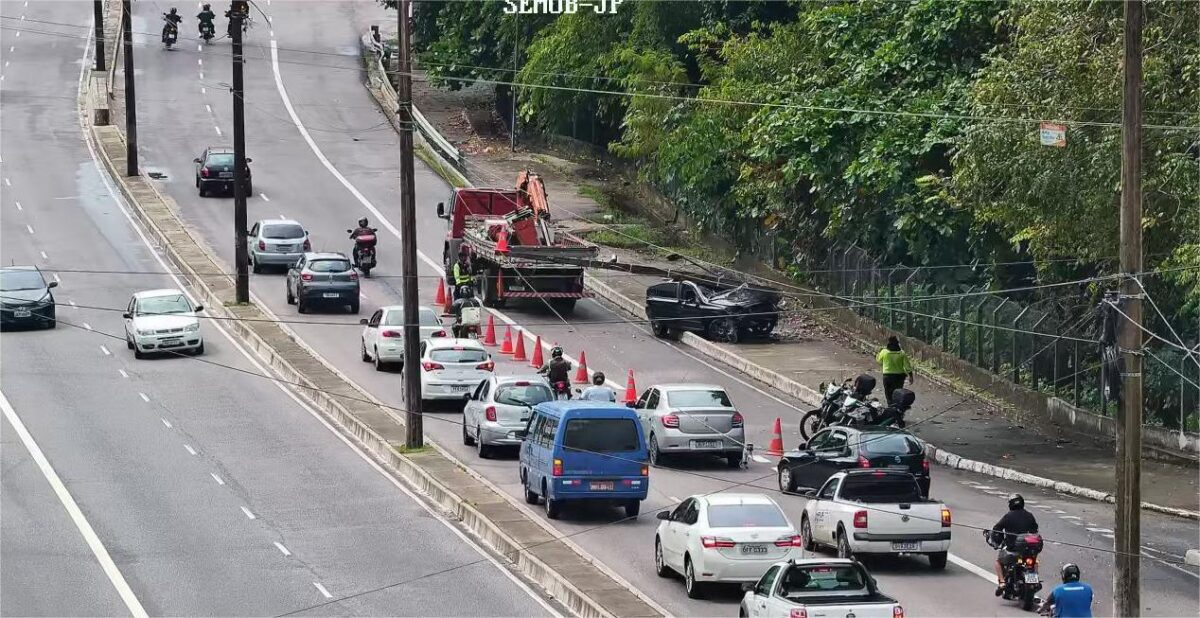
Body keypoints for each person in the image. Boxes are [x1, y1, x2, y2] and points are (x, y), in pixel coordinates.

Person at [991, 493, 1039, 595]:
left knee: (998, 562)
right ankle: (1034, 581)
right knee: (1034, 562)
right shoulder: (1029, 515)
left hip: (1011, 549)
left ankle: (1002, 582)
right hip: (1027, 550)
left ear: (1010, 504)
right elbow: (1034, 531)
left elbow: (997, 529)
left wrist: (997, 540)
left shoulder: (1008, 516)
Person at [876, 335, 914, 406]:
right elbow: (907, 366)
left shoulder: (884, 352)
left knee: (888, 393)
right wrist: (911, 376)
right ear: (897, 343)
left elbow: (879, 361)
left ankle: (890, 406)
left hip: (887, 376)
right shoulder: (902, 353)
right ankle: (897, 406)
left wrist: (878, 353)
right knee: (898, 393)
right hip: (899, 377)